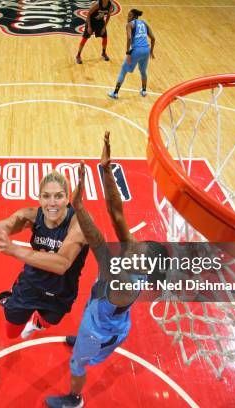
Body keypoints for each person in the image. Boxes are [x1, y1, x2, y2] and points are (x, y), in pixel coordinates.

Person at [45, 132, 168, 408]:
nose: (135, 245)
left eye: (139, 251)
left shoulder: (124, 281)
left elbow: (98, 243)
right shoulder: (134, 257)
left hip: (100, 330)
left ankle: (74, 399)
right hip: (102, 309)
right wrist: (105, 169)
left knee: (77, 362)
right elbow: (116, 212)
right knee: (89, 310)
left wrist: (78, 206)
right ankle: (81, 348)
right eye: (140, 245)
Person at [0, 171, 89, 339]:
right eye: (46, 196)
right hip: (31, 285)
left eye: (59, 196)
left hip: (62, 292)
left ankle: (36, 323)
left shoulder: (79, 223)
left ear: (67, 199)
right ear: (39, 198)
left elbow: (62, 264)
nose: (52, 203)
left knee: (48, 322)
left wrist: (14, 250)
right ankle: (22, 309)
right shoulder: (30, 216)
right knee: (11, 333)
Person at [108, 9, 155, 99]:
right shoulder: (144, 23)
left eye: (129, 16)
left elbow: (129, 38)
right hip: (146, 50)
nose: (127, 18)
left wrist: (128, 53)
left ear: (134, 17)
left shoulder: (129, 25)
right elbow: (153, 38)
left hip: (136, 50)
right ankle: (144, 91)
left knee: (123, 71)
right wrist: (151, 51)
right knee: (143, 71)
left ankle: (115, 93)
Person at [75, 0, 112, 64]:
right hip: (91, 21)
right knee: (85, 38)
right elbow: (88, 14)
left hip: (100, 21)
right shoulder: (97, 4)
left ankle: (103, 53)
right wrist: (89, 27)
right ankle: (78, 55)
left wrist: (104, 27)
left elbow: (108, 16)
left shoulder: (110, 5)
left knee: (105, 36)